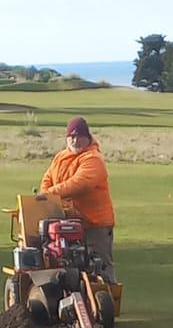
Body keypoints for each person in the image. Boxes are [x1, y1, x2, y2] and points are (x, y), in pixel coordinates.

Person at [39, 116, 117, 282]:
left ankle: (108, 302)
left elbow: (80, 183)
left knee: (99, 267)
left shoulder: (94, 159)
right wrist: (45, 194)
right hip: (68, 223)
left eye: (79, 136)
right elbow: (47, 178)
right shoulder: (60, 157)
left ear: (87, 138)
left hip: (95, 225)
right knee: (69, 263)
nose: (75, 141)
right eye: (71, 137)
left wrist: (49, 195)